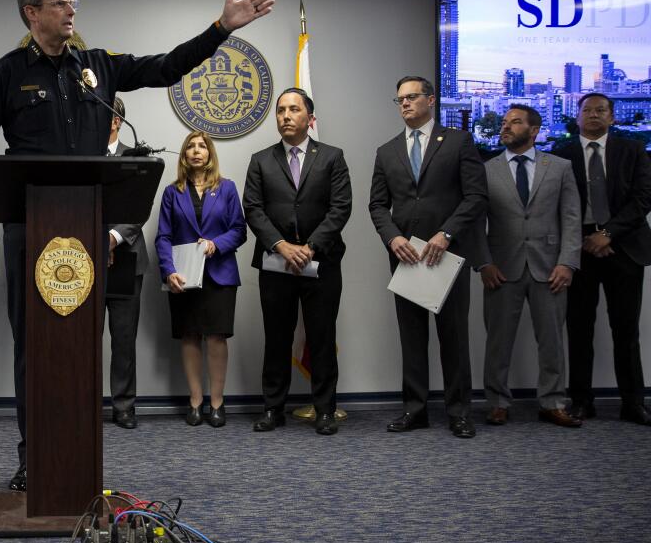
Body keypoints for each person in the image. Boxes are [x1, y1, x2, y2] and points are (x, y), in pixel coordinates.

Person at [0, 0, 274, 491]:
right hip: (29, 229)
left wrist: (221, 29)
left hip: (86, 230)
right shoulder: (7, 74)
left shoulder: (97, 66)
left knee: (83, 342)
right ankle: (31, 454)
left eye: (73, 4)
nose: (71, 12)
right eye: (60, 4)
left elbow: (167, 66)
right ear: (31, 14)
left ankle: (80, 451)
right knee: (33, 347)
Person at [368, 75, 486, 438]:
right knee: (412, 338)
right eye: (400, 99)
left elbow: (476, 196)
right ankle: (415, 410)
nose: (405, 104)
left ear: (431, 100)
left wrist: (446, 233)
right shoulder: (387, 151)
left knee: (453, 337)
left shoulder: (458, 141)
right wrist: (392, 239)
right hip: (406, 258)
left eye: (412, 97)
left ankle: (459, 412)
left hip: (446, 257)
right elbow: (377, 205)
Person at [242, 88, 351, 436]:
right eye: (280, 111)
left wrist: (311, 246)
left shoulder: (332, 157)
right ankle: (273, 409)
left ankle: (324, 410)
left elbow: (340, 208)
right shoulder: (261, 159)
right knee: (277, 338)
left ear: (310, 118)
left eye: (293, 109)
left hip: (322, 263)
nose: (286, 116)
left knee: (321, 337)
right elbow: (253, 209)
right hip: (276, 265)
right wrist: (281, 245)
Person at [479, 106, 581, 428]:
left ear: (534, 130)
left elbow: (571, 217)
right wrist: (484, 263)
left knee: (551, 340)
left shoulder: (560, 167)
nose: (507, 126)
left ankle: (552, 402)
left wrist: (567, 262)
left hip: (550, 268)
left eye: (515, 122)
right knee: (498, 341)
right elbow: (473, 222)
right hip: (501, 268)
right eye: (505, 122)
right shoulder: (486, 169)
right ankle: (497, 402)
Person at [553, 93, 651, 426]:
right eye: (587, 110)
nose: (593, 115)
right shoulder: (561, 155)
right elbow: (555, 207)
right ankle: (581, 401)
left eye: (600, 110)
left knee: (626, 330)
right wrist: (586, 239)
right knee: (579, 329)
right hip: (579, 251)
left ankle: (633, 402)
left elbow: (643, 199)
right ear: (577, 116)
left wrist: (607, 234)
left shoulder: (633, 150)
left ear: (612, 117)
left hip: (624, 250)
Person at [156, 131, 247, 428]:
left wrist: (216, 244)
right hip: (183, 276)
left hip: (219, 273)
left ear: (210, 153)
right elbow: (164, 236)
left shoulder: (228, 188)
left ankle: (217, 403)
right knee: (190, 335)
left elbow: (239, 230)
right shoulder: (172, 192)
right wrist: (169, 271)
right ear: (184, 155)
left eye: (202, 146)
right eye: (191, 147)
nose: (197, 151)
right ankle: (195, 401)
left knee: (217, 337)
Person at [104, 97, 149, 430]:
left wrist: (111, 239)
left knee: (123, 338)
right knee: (81, 338)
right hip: (81, 259)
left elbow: (140, 209)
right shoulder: (79, 156)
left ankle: (123, 405)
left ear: (117, 121)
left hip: (126, 258)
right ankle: (83, 401)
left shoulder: (137, 158)